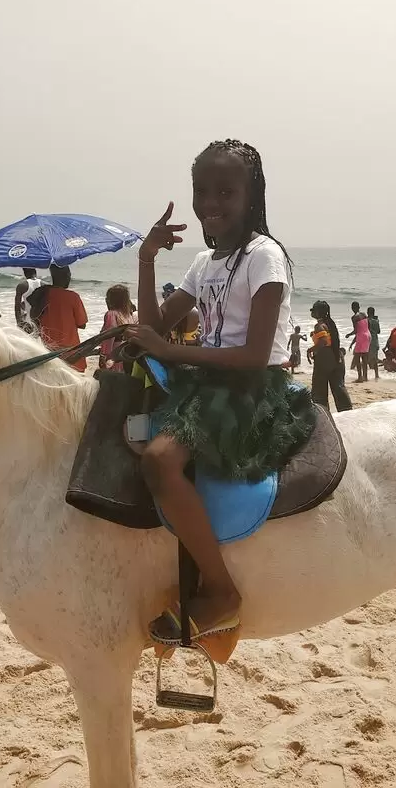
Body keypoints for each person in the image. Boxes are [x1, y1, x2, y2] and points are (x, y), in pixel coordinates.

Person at [123, 139, 316, 649]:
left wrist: (173, 351)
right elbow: (153, 328)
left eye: (226, 191)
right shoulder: (204, 261)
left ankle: (222, 591)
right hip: (206, 380)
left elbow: (256, 354)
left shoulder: (264, 257)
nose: (211, 203)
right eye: (202, 191)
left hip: (249, 388)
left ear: (252, 196)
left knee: (161, 461)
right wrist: (146, 261)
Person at [29, 264, 88, 372]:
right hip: (70, 350)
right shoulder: (73, 297)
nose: (70, 277)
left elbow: (35, 317)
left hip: (48, 349)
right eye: (68, 274)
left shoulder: (43, 294)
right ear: (65, 276)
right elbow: (82, 324)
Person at [308, 300, 353, 412]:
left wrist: (310, 350)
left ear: (318, 312)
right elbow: (328, 339)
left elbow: (323, 341)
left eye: (313, 310)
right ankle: (346, 412)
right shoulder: (330, 323)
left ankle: (323, 414)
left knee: (319, 390)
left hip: (325, 359)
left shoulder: (319, 325)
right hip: (337, 356)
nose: (312, 312)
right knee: (339, 388)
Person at [99, 284, 135, 371]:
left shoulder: (111, 314)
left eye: (108, 297)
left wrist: (104, 355)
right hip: (126, 354)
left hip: (114, 355)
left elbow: (109, 336)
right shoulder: (128, 315)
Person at [346, 301, 371, 382]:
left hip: (361, 336)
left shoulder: (354, 317)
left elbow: (356, 330)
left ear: (352, 308)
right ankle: (365, 377)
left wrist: (349, 334)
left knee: (357, 357)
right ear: (359, 307)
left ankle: (360, 377)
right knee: (364, 357)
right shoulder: (364, 314)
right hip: (368, 335)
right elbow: (368, 325)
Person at [15, 267, 43, 332]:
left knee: (31, 340)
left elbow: (17, 306)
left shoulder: (22, 285)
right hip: (43, 320)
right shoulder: (44, 284)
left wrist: (19, 322)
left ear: (25, 273)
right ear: (35, 272)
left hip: (29, 320)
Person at [366, 307, 380, 379]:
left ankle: (365, 375)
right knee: (375, 359)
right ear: (373, 313)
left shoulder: (365, 321)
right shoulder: (376, 321)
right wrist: (377, 320)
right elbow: (378, 331)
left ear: (367, 312)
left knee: (365, 358)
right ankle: (376, 375)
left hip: (367, 341)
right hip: (374, 341)